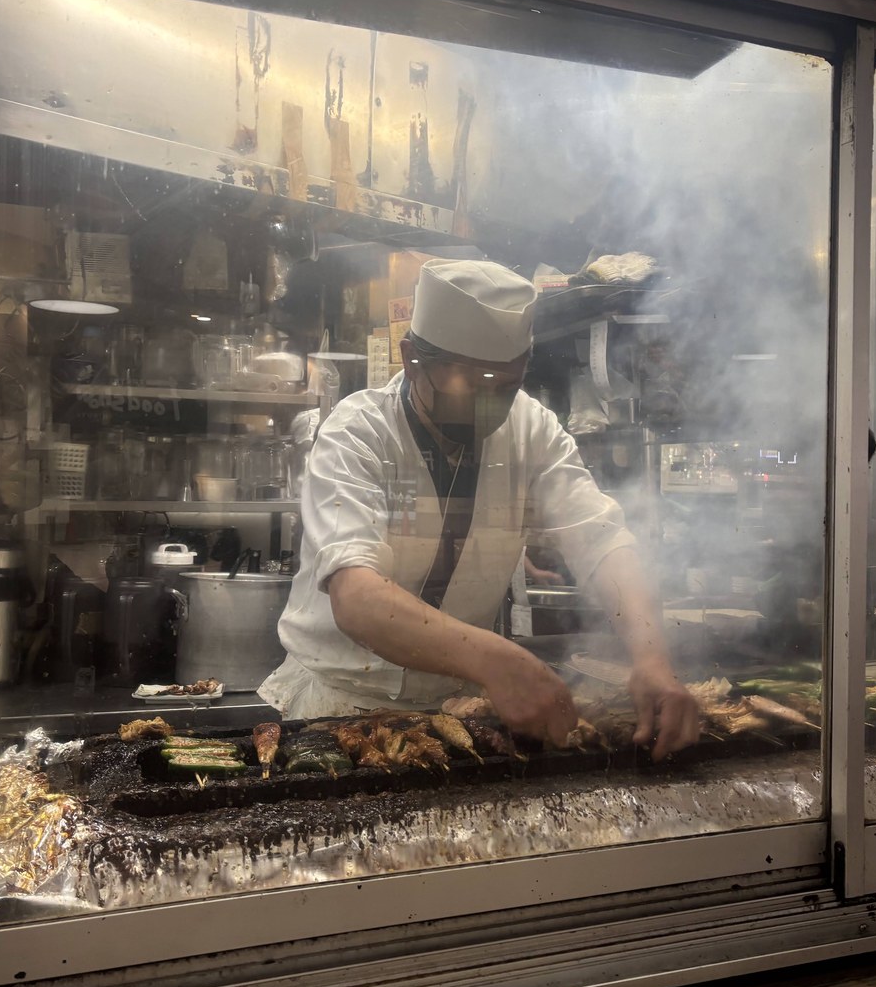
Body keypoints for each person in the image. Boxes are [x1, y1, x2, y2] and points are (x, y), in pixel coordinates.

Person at [258, 258, 697, 758]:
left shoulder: (532, 429)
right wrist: (497, 661)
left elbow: (601, 540)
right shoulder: (358, 433)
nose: (487, 408)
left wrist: (651, 658)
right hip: (336, 705)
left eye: (505, 387)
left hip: (459, 709)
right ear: (410, 358)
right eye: (470, 384)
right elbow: (358, 598)